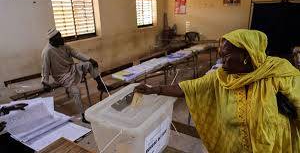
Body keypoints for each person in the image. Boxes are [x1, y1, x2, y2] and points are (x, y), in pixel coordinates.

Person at [135, 29, 300, 152]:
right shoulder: (221, 77)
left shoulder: (279, 73)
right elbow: (189, 87)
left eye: (226, 56)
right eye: (220, 56)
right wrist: (154, 89)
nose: (222, 63)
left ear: (246, 55)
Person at [41, 27, 110, 123]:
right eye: (59, 37)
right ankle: (83, 116)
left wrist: (90, 59)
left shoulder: (64, 46)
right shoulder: (47, 51)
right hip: (62, 77)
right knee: (76, 92)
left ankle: (100, 85)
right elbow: (45, 68)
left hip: (72, 68)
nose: (62, 38)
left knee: (89, 64)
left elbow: (76, 53)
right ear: (52, 40)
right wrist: (45, 82)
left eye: (61, 35)